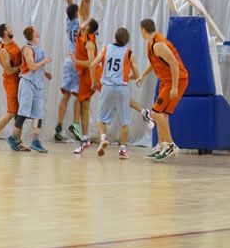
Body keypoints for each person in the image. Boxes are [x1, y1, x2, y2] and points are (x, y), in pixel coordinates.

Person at [136, 18, 189, 160]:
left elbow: (174, 64)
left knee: (157, 112)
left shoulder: (158, 44)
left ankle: (170, 145)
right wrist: (142, 76)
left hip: (176, 79)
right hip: (166, 80)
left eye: (140, 30)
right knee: (160, 114)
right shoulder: (151, 43)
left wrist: (175, 87)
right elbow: (154, 63)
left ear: (143, 30)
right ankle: (161, 144)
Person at [89, 28, 139, 159]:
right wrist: (129, 77)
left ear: (115, 37)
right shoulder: (129, 53)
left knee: (101, 119)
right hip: (122, 89)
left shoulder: (106, 49)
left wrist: (94, 82)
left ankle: (103, 138)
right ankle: (122, 151)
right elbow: (137, 74)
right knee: (124, 122)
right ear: (127, 40)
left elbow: (92, 65)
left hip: (107, 87)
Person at [55, 0, 89, 143]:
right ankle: (75, 126)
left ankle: (58, 126)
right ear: (77, 12)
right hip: (79, 61)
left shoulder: (69, 21)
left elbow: (69, 2)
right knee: (78, 96)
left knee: (66, 96)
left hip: (68, 60)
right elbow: (84, 1)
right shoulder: (82, 22)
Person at [7, 26, 52, 153]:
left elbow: (36, 67)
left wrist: (45, 73)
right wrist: (44, 61)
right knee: (23, 113)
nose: (38, 30)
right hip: (27, 83)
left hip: (37, 85)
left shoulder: (38, 49)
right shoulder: (27, 49)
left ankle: (35, 141)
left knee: (38, 114)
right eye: (35, 29)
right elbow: (31, 67)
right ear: (32, 34)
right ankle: (13, 138)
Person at [0, 24, 23, 150]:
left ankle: (18, 142)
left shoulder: (12, 43)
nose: (11, 29)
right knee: (12, 111)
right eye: (9, 28)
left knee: (20, 113)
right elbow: (9, 70)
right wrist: (23, 66)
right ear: (5, 32)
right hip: (11, 81)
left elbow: (19, 56)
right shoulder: (3, 50)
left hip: (19, 80)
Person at [70, 17, 102, 154]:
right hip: (84, 75)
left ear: (88, 27)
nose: (84, 22)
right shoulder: (81, 33)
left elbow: (91, 63)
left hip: (92, 74)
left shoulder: (89, 42)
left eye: (87, 22)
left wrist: (75, 61)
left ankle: (143, 111)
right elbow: (82, 13)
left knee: (82, 105)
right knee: (82, 105)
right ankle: (83, 137)